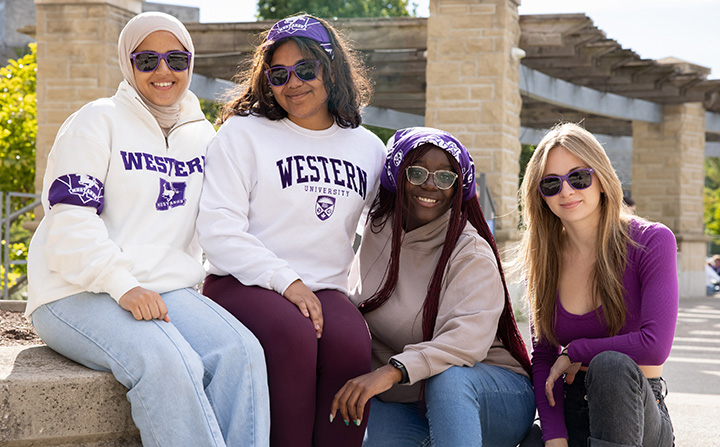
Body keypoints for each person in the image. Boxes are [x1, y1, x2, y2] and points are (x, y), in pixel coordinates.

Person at [25, 12, 269, 447]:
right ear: (127, 62)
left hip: (165, 288)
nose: (164, 71)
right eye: (148, 59)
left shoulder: (204, 137)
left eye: (177, 59)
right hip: (75, 290)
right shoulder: (96, 121)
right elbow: (69, 224)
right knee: (166, 361)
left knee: (242, 353)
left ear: (191, 63)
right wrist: (121, 284)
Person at [196, 14, 386, 447]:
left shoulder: (366, 147)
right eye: (278, 74)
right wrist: (286, 281)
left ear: (331, 69)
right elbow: (219, 229)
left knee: (352, 344)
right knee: (293, 335)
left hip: (324, 288)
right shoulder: (243, 134)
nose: (293, 83)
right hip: (242, 281)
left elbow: (388, 226)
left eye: (306, 69)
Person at [331, 127, 536, 446]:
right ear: (397, 176)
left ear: (458, 188)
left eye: (445, 177)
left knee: (448, 379)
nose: (430, 184)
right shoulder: (378, 228)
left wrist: (389, 372)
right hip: (406, 397)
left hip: (489, 393)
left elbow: (464, 342)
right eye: (417, 172)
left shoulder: (469, 252)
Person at [516, 122, 678, 446]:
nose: (566, 191)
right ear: (541, 196)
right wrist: (555, 437)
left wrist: (575, 351)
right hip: (572, 410)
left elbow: (655, 344)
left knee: (610, 367)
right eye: (550, 184)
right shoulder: (544, 258)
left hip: (635, 410)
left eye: (578, 177)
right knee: (532, 440)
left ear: (601, 179)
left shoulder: (651, 241)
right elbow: (544, 358)